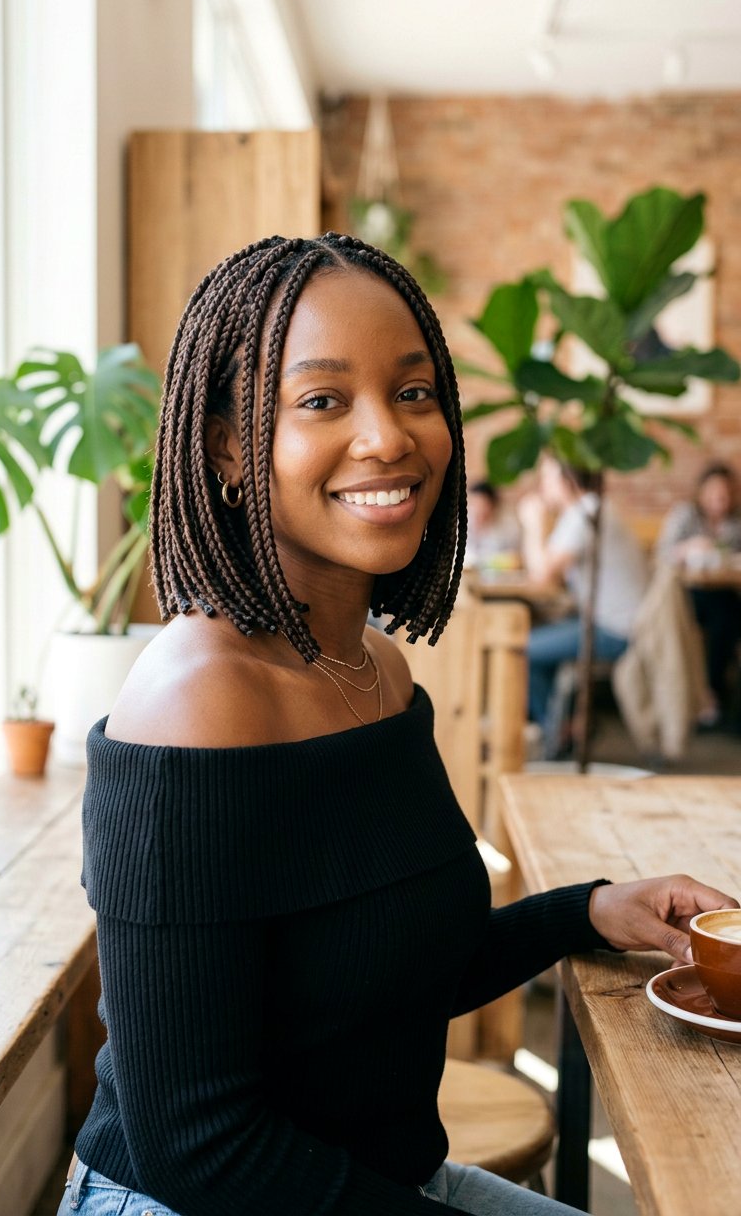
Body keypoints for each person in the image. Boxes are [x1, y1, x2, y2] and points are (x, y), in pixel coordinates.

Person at [59, 234, 736, 1216]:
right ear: (225, 448)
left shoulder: (375, 667)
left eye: (412, 391)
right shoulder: (195, 701)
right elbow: (195, 1147)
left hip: (369, 1181)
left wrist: (588, 909)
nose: (386, 437)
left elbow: (394, 966)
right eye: (322, 400)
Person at [518, 455, 649, 752]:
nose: (543, 487)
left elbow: (542, 577)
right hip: (616, 622)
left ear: (568, 481)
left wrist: (532, 523)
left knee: (521, 649)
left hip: (616, 629)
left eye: (547, 478)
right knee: (537, 641)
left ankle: (557, 735)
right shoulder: (592, 509)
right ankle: (564, 727)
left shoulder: (584, 513)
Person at [656, 461, 741, 725]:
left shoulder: (736, 522)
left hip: (725, 592)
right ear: (701, 493)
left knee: (727, 616)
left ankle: (714, 694)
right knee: (723, 617)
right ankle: (708, 694)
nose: (720, 500)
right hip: (687, 594)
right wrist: (688, 548)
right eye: (714, 494)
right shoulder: (685, 516)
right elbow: (662, 555)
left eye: (725, 495)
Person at [465, 479, 521, 570]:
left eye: (482, 505)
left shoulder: (508, 528)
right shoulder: (464, 524)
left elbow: (514, 559)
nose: (477, 510)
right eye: (473, 504)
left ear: (493, 506)